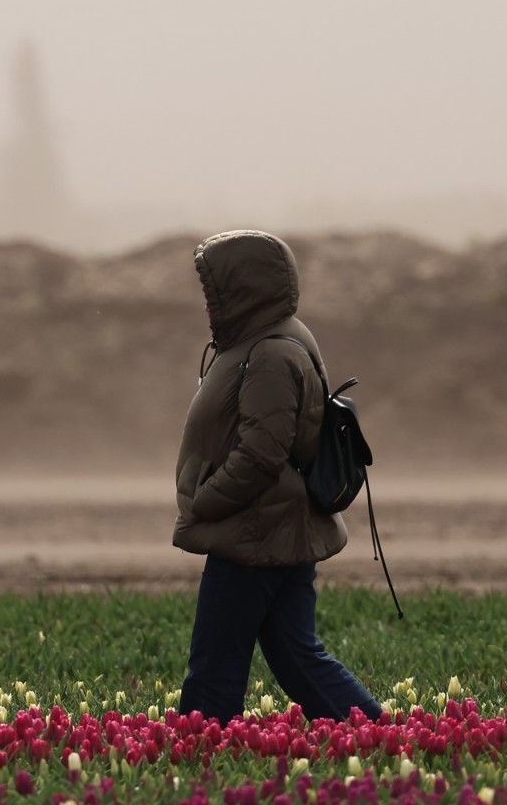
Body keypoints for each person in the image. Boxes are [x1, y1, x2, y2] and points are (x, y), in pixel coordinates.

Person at [171, 229, 381, 723]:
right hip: (275, 525)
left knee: (215, 664)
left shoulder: (269, 352)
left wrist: (206, 501)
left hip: (254, 527)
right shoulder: (263, 337)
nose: (209, 302)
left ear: (244, 289)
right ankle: (376, 735)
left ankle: (198, 756)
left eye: (216, 291)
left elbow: (262, 453)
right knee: (296, 655)